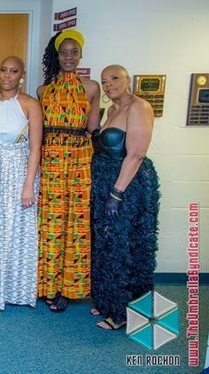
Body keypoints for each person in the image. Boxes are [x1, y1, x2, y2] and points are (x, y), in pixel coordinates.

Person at [90, 65, 160, 330]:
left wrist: (116, 194)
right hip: (104, 182)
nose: (109, 85)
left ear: (128, 79)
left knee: (124, 246)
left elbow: (136, 155)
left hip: (127, 185)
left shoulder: (139, 107)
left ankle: (122, 313)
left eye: (115, 78)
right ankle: (109, 300)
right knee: (106, 244)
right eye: (104, 81)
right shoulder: (111, 110)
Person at [35, 29, 100, 312]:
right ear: (57, 55)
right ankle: (48, 286)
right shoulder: (42, 90)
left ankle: (71, 287)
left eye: (74, 52)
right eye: (64, 52)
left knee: (76, 222)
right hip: (50, 159)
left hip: (79, 160)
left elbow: (93, 129)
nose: (69, 56)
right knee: (49, 223)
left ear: (81, 54)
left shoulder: (92, 88)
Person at [0, 56, 42, 313]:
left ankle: (11, 291)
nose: (7, 75)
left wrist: (28, 185)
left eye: (13, 71)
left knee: (14, 230)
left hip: (18, 170)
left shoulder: (29, 104)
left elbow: (36, 148)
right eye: (3, 70)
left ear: (21, 75)